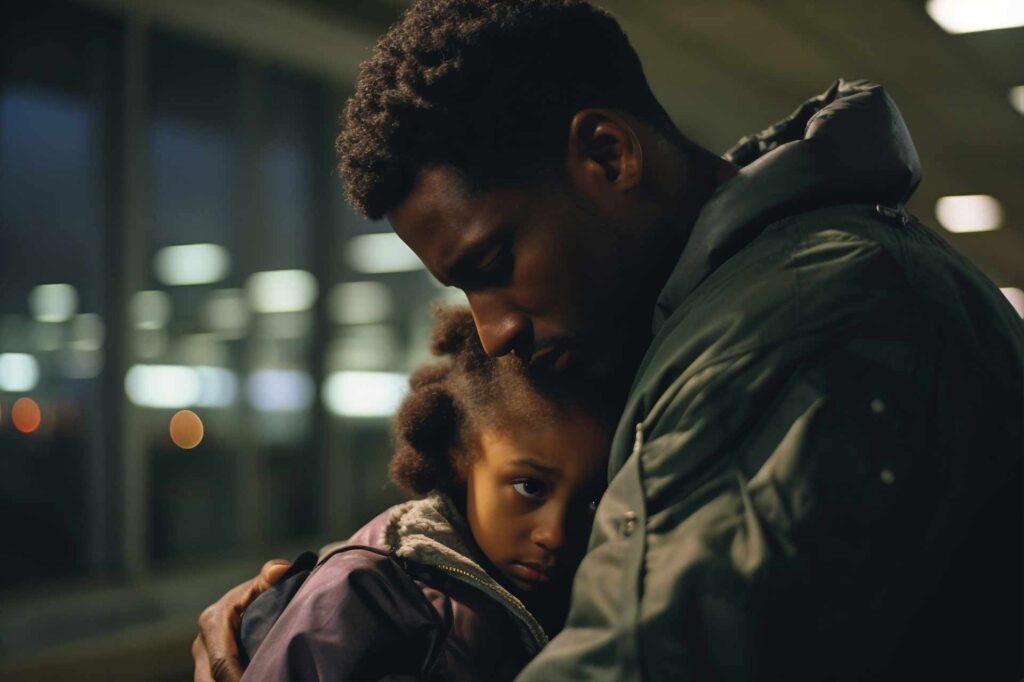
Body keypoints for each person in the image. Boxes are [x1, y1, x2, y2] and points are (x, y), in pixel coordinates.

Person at [195, 1, 1024, 680]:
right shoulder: (750, 305)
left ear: (609, 154)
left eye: (495, 264)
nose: (495, 331)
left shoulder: (804, 319)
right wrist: (320, 609)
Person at [232, 307, 614, 680]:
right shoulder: (362, 591)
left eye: (591, 501)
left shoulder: (590, 594)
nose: (555, 535)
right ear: (461, 456)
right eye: (529, 487)